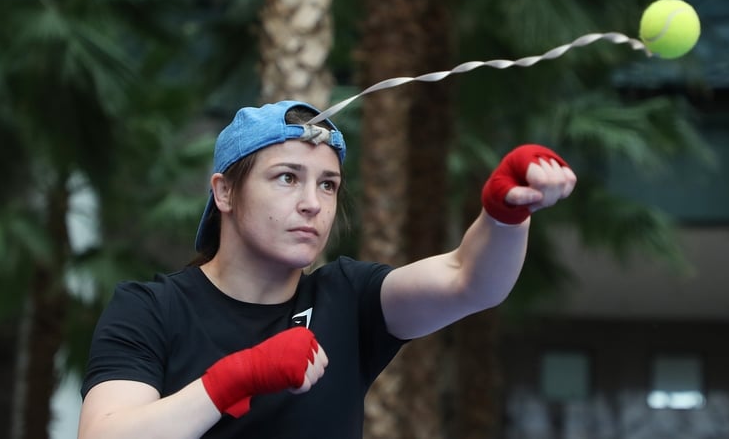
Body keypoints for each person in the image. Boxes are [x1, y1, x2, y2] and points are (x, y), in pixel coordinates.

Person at [77, 100, 576, 438]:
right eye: (287, 177)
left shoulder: (346, 299)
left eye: (329, 185)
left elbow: (468, 279)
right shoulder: (150, 309)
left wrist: (506, 211)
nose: (312, 204)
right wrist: (236, 378)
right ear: (224, 192)